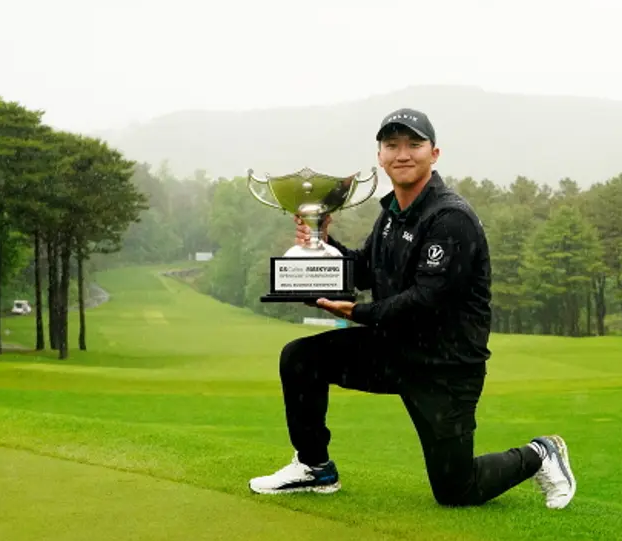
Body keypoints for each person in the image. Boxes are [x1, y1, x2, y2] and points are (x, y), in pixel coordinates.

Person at [247, 108, 577, 509]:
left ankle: (540, 453)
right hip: (392, 351)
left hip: (445, 365)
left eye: (414, 145)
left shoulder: (450, 218)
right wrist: (321, 246)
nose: (402, 154)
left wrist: (357, 313)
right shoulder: (391, 214)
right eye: (392, 145)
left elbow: (426, 300)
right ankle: (315, 468)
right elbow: (363, 270)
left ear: (434, 154)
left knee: (457, 490)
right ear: (381, 156)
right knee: (301, 358)